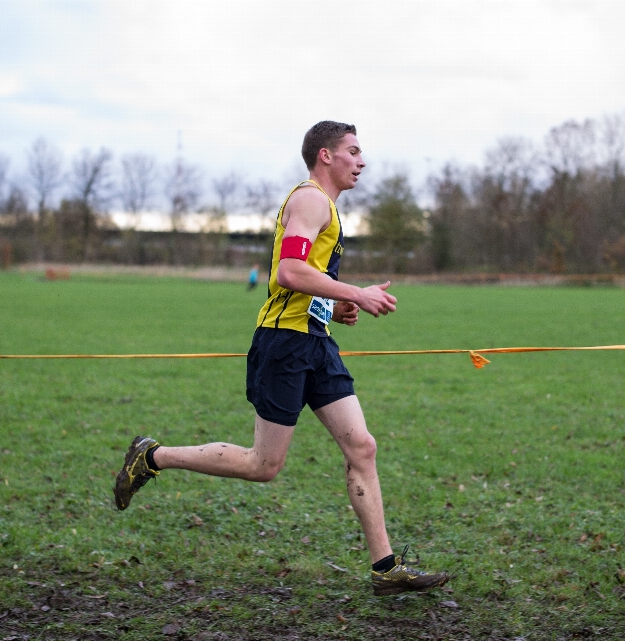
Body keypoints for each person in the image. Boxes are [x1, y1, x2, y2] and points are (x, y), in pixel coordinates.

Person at [113, 121, 450, 596]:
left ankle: (385, 568)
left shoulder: (326, 207)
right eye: (353, 151)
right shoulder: (311, 199)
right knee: (263, 465)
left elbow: (299, 280)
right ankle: (152, 456)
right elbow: (288, 271)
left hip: (316, 342)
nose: (362, 161)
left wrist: (331, 306)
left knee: (362, 447)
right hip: (285, 345)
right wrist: (356, 291)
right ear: (326, 156)